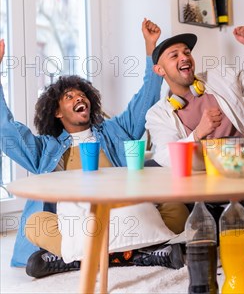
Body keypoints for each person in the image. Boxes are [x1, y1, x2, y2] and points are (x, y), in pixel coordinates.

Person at [0, 19, 188, 278]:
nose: (79, 98)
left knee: (176, 208)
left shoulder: (114, 131)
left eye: (82, 94)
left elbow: (144, 100)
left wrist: (150, 48)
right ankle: (138, 255)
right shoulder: (45, 148)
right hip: (77, 222)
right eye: (69, 97)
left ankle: (74, 259)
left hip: (123, 211)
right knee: (35, 224)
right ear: (56, 112)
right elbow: (5, 129)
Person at [145, 25, 244, 259]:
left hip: (242, 164)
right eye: (175, 56)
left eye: (187, 52)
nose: (185, 57)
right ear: (159, 70)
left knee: (241, 239)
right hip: (203, 176)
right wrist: (198, 133)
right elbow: (164, 155)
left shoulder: (219, 77)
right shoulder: (157, 113)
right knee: (151, 170)